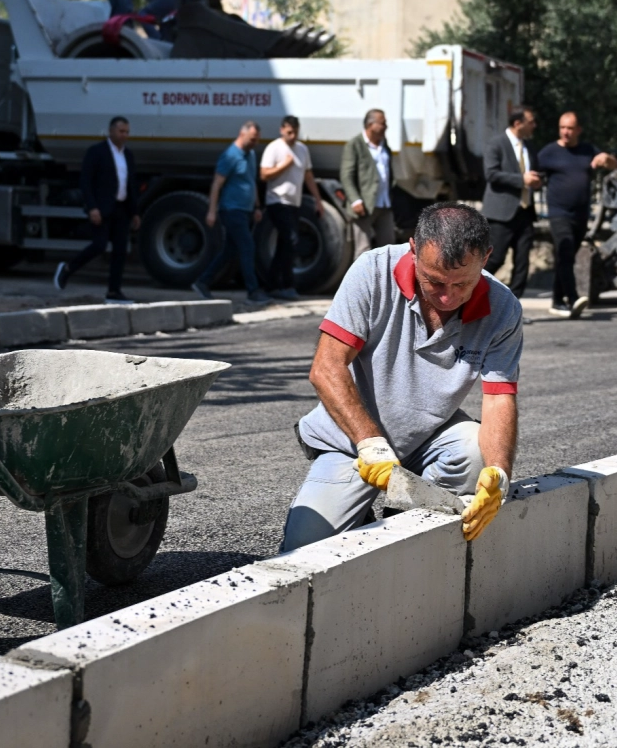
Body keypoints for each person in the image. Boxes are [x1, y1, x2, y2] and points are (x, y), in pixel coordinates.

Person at [280, 202, 520, 552]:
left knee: (475, 450)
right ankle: (363, 515)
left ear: (486, 257)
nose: (447, 296)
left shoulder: (503, 308)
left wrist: (499, 475)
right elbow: (326, 367)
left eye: (461, 284)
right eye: (434, 280)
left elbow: (499, 397)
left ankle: (404, 527)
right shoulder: (373, 271)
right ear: (413, 249)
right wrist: (370, 443)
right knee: (304, 549)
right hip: (353, 443)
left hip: (428, 437)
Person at [536, 112, 617, 318]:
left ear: (578, 130)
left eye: (570, 128)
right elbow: (533, 174)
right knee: (564, 253)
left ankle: (556, 300)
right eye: (562, 127)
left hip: (580, 214)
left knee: (568, 257)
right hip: (558, 212)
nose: (565, 132)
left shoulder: (587, 150)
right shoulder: (549, 152)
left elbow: (613, 165)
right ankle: (573, 299)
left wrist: (606, 159)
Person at [54, 115, 139, 302]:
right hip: (102, 208)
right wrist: (92, 207)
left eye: (127, 132)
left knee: (120, 250)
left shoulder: (128, 155)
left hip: (122, 208)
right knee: (99, 245)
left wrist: (134, 212)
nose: (124, 135)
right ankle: (68, 268)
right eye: (121, 131)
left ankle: (113, 291)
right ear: (111, 131)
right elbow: (86, 181)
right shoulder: (96, 152)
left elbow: (130, 184)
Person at [193, 121, 270, 305]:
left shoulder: (250, 154)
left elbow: (251, 183)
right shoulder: (230, 156)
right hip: (231, 209)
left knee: (229, 251)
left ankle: (202, 282)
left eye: (257, 140)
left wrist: (257, 207)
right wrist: (212, 211)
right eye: (252, 139)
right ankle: (253, 291)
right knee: (247, 246)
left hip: (245, 211)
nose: (255, 143)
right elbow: (216, 184)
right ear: (241, 134)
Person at [482, 104, 543, 297]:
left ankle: (514, 307)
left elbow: (535, 172)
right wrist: (522, 180)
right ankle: (470, 294)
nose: (534, 126)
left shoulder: (529, 147)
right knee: (495, 258)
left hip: (525, 212)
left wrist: (537, 181)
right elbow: (491, 174)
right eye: (531, 122)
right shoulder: (496, 143)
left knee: (523, 262)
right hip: (501, 214)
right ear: (518, 123)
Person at [259, 115, 318, 301]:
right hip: (277, 201)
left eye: (295, 132)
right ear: (282, 130)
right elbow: (264, 174)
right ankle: (287, 285)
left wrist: (317, 199)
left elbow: (308, 176)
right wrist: (284, 165)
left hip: (294, 203)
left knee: (285, 244)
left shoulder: (302, 149)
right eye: (289, 132)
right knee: (291, 240)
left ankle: (273, 284)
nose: (292, 136)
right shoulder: (274, 148)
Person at [340, 108, 395, 251]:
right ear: (371, 125)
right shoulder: (355, 144)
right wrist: (355, 200)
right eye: (383, 123)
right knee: (362, 250)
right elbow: (346, 175)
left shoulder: (384, 145)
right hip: (364, 206)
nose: (386, 127)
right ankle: (361, 275)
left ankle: (384, 275)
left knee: (388, 248)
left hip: (384, 204)